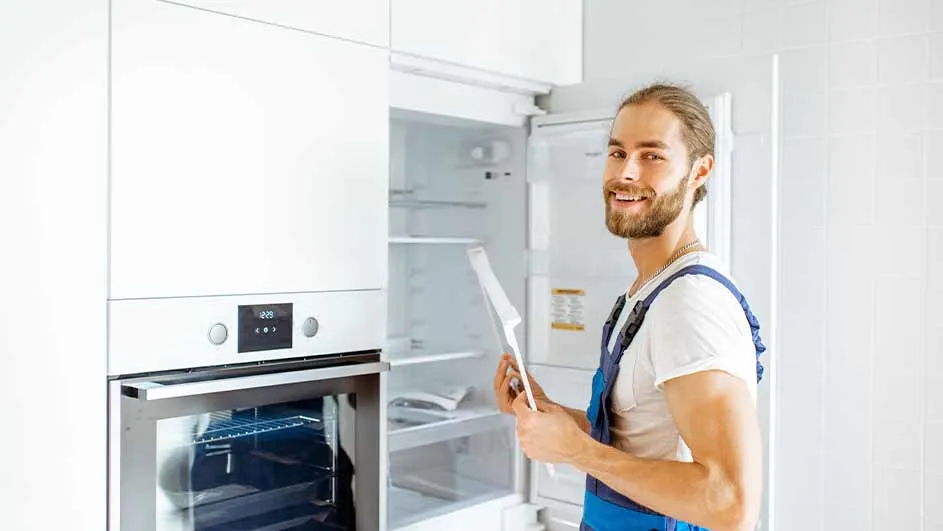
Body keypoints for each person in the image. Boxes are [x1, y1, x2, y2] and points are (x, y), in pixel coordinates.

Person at [493, 83, 766, 531]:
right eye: (617, 153)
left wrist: (575, 452)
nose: (627, 172)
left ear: (699, 171)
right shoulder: (647, 290)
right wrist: (555, 420)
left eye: (652, 155)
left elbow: (730, 503)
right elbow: (642, 443)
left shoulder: (689, 303)